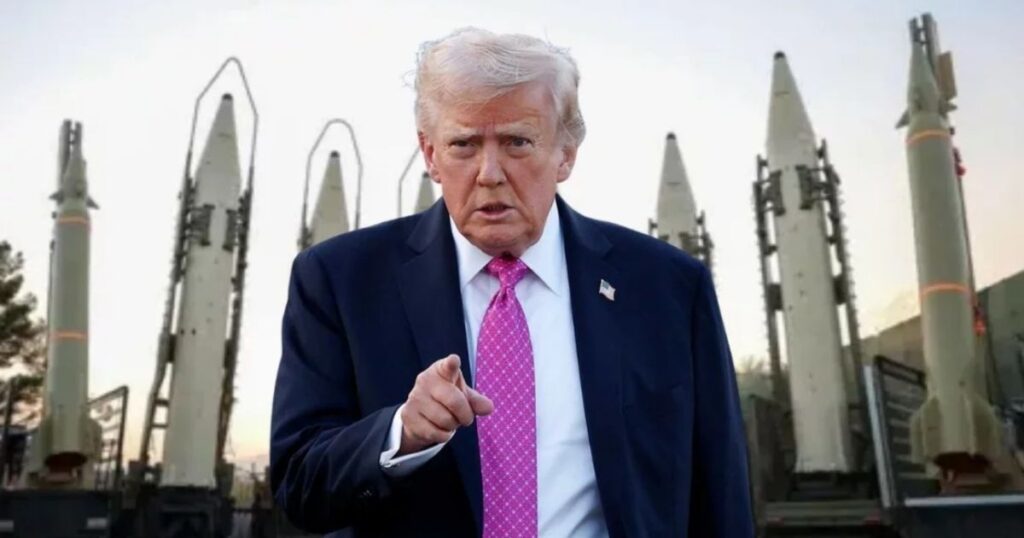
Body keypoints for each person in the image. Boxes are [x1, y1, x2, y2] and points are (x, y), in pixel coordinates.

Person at [271, 27, 753, 538]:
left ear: (566, 154)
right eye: (463, 144)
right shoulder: (341, 281)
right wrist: (401, 434)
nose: (489, 173)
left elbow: (719, 492)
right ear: (430, 154)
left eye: (517, 142)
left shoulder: (667, 288)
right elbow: (300, 484)